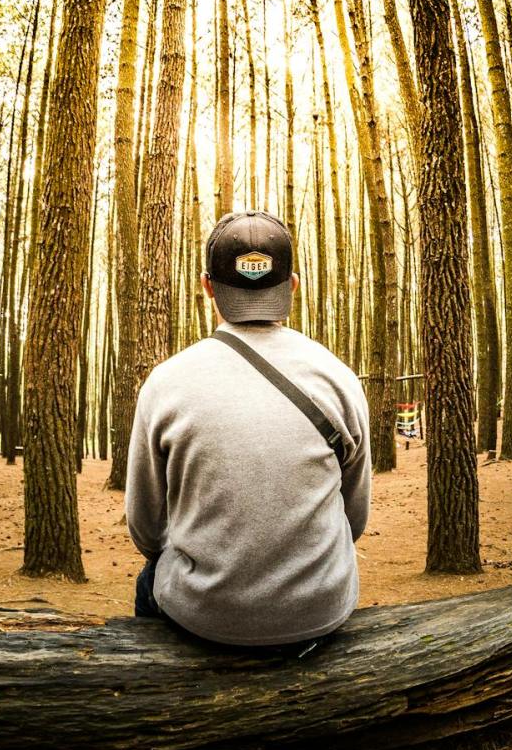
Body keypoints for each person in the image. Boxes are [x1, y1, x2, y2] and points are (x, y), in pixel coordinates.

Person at [125, 210, 371, 651]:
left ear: (207, 287)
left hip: (202, 615)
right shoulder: (338, 377)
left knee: (150, 579)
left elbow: (146, 528)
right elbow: (354, 519)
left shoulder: (166, 382)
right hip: (320, 609)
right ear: (293, 285)